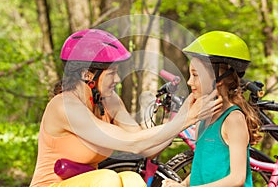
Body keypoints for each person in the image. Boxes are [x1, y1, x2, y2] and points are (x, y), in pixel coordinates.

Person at [30, 29, 223, 187]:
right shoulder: (65, 106)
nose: (116, 79)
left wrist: (184, 115)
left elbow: (147, 148)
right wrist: (187, 118)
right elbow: (132, 142)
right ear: (87, 74)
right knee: (107, 178)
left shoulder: (108, 100)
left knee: (132, 180)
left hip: (89, 182)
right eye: (112, 73)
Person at [162, 31, 262, 187]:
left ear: (219, 78)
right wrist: (182, 185)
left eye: (195, 75)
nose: (189, 82)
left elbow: (237, 178)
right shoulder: (204, 118)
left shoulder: (233, 120)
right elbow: (200, 169)